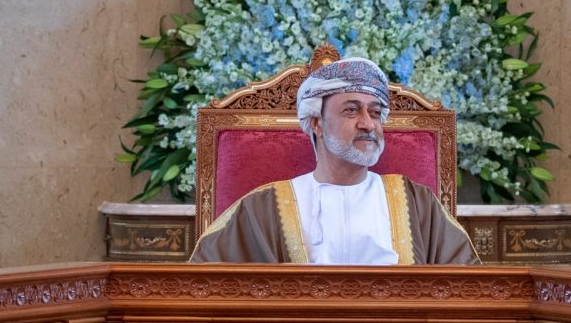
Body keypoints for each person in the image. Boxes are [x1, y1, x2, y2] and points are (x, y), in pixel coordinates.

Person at [191, 55, 474, 266]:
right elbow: (202, 286)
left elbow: (467, 287)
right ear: (317, 123)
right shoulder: (262, 209)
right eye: (351, 111)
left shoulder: (418, 204)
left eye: (375, 113)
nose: (368, 124)